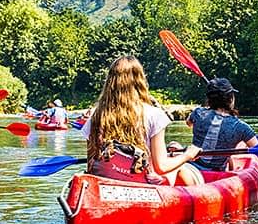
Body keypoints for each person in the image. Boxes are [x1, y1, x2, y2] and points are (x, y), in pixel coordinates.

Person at [80, 55, 203, 186]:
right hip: (142, 186)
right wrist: (188, 155)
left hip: (105, 186)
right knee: (181, 169)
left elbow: (91, 166)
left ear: (110, 82)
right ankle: (193, 203)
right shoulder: (155, 114)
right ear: (140, 81)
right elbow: (161, 167)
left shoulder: (96, 116)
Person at [186, 78, 258, 171]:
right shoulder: (241, 127)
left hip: (192, 167)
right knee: (240, 144)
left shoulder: (198, 113)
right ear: (231, 99)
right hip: (215, 172)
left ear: (209, 99)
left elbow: (188, 123)